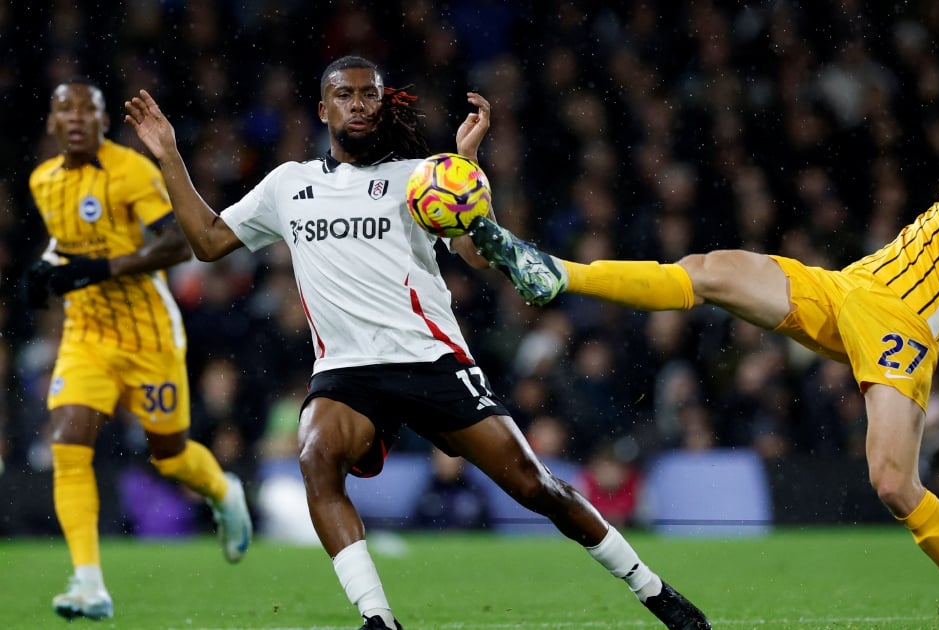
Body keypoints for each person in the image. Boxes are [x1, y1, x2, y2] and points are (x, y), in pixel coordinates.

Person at [466, 56, 939, 630]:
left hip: (905, 330)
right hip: (850, 289)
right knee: (711, 270)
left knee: (894, 484)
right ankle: (556, 273)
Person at [124, 55, 710, 630]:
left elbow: (479, 257)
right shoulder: (289, 185)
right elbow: (205, 240)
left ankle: (651, 589)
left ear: (382, 105)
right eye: (345, 94)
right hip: (348, 372)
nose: (358, 103)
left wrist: (469, 166)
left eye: (369, 94)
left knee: (537, 487)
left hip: (429, 359)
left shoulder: (421, 178)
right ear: (322, 107)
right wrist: (171, 154)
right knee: (315, 458)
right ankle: (378, 620)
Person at [23, 78, 252, 622]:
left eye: (88, 109)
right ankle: (88, 583)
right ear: (53, 125)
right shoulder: (42, 180)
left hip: (149, 335)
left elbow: (176, 242)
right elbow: (67, 239)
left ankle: (224, 491)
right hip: (86, 335)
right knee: (67, 443)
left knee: (169, 456)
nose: (76, 118)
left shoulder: (131, 171)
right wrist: (46, 269)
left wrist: (102, 268)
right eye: (65, 110)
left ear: (103, 122)